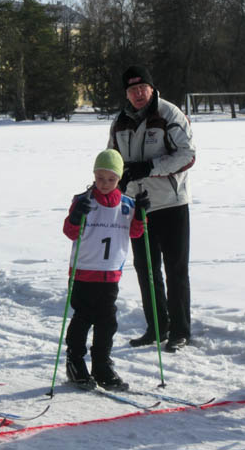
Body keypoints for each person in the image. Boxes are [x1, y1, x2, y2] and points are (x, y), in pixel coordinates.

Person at [108, 65, 196, 353]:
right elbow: (113, 160)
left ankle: (180, 330)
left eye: (142, 88)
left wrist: (150, 167)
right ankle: (157, 327)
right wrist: (112, 185)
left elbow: (187, 155)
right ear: (126, 93)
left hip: (171, 203)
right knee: (146, 269)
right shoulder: (120, 122)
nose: (138, 94)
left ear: (151, 87)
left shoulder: (169, 114)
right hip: (137, 206)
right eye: (132, 90)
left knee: (176, 269)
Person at [63, 149, 149, 391]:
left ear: (119, 179)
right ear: (93, 175)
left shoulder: (127, 204)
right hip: (84, 270)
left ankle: (101, 364)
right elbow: (70, 232)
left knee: (107, 321)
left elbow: (135, 232)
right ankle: (75, 361)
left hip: (110, 272)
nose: (104, 184)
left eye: (111, 179)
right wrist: (76, 217)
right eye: (100, 178)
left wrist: (141, 213)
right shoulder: (83, 200)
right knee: (83, 317)